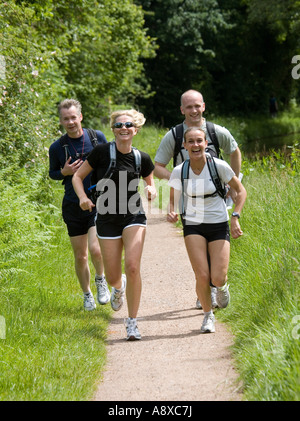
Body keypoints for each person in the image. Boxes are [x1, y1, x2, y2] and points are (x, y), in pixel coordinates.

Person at [72, 109, 157, 341]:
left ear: (135, 129)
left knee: (132, 266)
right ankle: (118, 288)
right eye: (119, 125)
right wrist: (82, 198)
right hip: (107, 218)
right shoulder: (100, 152)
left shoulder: (142, 158)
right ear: (113, 129)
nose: (124, 128)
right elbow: (77, 177)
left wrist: (151, 189)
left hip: (133, 216)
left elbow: (150, 184)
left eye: (128, 125)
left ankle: (132, 322)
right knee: (112, 277)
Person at [154, 89, 242, 309]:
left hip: (215, 199)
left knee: (215, 245)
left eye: (197, 106)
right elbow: (157, 167)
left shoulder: (215, 131)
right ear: (182, 110)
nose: (193, 110)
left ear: (203, 106)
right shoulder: (174, 135)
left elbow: (234, 151)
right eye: (188, 107)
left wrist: (233, 182)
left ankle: (216, 286)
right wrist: (178, 180)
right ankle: (205, 290)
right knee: (199, 251)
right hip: (189, 204)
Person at [167, 127, 247, 333]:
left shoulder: (219, 166)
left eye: (199, 141)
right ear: (184, 146)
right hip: (193, 224)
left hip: (218, 223)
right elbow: (172, 200)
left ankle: (221, 287)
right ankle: (207, 315)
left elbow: (240, 191)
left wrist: (235, 217)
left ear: (206, 144)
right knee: (202, 275)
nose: (195, 145)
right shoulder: (179, 171)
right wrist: (172, 212)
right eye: (191, 142)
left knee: (218, 276)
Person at [49, 99, 109, 311]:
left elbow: (108, 163)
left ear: (80, 117)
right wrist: (63, 172)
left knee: (95, 249)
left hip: (96, 202)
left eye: (74, 117)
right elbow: (52, 173)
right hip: (73, 205)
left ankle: (101, 280)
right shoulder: (57, 147)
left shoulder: (96, 138)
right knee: (80, 255)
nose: (71, 122)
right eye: (66, 119)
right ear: (61, 121)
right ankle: (87, 295)